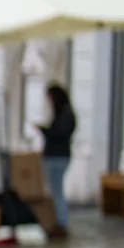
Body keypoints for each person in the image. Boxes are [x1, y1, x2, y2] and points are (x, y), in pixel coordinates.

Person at [36, 84, 76, 235]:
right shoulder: (62, 114)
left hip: (57, 157)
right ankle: (57, 221)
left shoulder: (65, 115)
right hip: (57, 155)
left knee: (56, 190)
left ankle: (60, 222)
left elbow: (58, 133)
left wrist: (45, 131)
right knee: (55, 190)